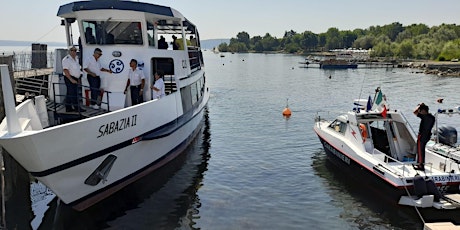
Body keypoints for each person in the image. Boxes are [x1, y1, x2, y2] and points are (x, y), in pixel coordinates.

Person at [62, 46, 85, 112]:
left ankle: (68, 108)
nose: (73, 52)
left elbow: (78, 69)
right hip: (69, 77)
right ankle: (77, 108)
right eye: (72, 50)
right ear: (69, 51)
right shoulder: (66, 59)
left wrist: (79, 78)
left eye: (75, 50)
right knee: (73, 94)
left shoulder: (76, 59)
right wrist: (70, 79)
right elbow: (65, 70)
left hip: (76, 78)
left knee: (70, 93)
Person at [413, 103, 435, 171]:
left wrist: (418, 106)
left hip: (422, 136)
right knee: (422, 151)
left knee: (420, 151)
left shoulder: (424, 116)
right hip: (427, 136)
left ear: (424, 111)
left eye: (421, 110)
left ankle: (420, 166)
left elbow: (414, 112)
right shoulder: (432, 117)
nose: (420, 112)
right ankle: (421, 164)